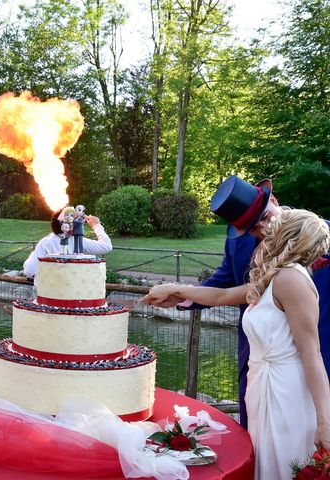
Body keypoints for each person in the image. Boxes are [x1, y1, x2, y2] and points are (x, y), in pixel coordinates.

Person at [141, 209, 330, 480]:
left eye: (275, 225)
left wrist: (325, 421)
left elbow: (312, 354)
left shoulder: (292, 280)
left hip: (287, 395)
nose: (266, 230)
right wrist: (174, 289)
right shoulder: (275, 276)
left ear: (290, 235)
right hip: (263, 387)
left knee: (284, 465)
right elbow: (223, 294)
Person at [158, 175, 330, 429]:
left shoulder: (318, 234)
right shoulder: (237, 245)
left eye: (264, 216)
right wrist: (182, 296)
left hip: (321, 348)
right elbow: (224, 287)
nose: (264, 228)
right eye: (253, 228)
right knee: (255, 433)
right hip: (260, 356)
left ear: (273, 199)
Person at [23, 207, 112, 280]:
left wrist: (31, 256)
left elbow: (30, 271)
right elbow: (106, 246)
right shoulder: (78, 241)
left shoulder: (45, 243)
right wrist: (96, 225)